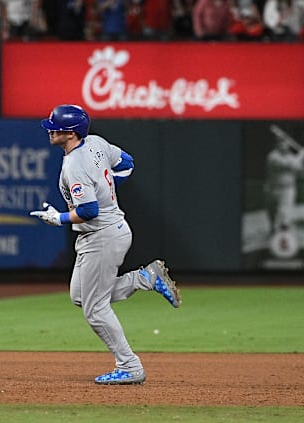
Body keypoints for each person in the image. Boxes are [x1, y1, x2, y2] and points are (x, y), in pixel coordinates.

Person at [30, 104, 181, 385]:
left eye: (56, 127)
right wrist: (106, 188)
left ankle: (130, 366)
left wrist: (58, 218)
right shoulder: (97, 142)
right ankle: (145, 278)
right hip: (108, 232)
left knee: (94, 308)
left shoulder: (75, 164)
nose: (50, 130)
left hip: (102, 235)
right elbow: (127, 163)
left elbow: (88, 210)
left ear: (71, 132)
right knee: (79, 295)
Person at [264, 124, 304, 234]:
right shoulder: (272, 157)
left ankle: (283, 232)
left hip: (288, 190)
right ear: (276, 145)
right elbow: (293, 165)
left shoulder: (291, 156)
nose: (283, 145)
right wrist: (302, 155)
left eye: (285, 142)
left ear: (288, 144)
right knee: (272, 217)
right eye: (280, 143)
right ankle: (273, 230)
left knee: (284, 217)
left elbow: (302, 175)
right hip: (272, 189)